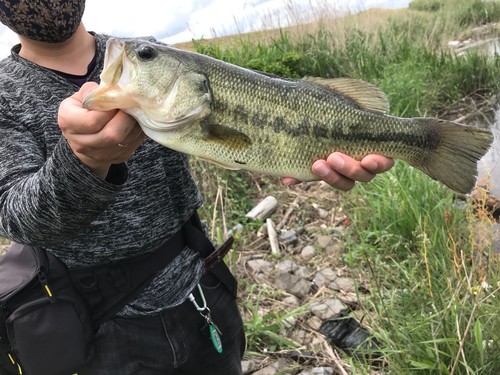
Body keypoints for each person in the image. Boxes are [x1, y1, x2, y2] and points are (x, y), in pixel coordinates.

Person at [0, 1, 394, 374]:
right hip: (102, 325)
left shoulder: (152, 56)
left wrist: (305, 152)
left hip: (202, 286)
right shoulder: (5, 95)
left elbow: (247, 129)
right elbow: (17, 219)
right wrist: (85, 162)